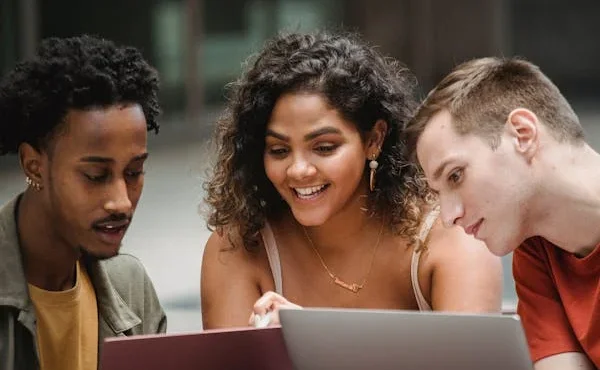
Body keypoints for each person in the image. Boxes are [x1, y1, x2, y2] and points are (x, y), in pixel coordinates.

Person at [201, 31, 502, 330]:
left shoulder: (449, 237)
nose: (298, 170)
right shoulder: (238, 248)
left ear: (374, 139)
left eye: (324, 148)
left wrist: (315, 339)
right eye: (279, 151)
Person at [405, 56, 600, 369]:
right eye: (438, 193)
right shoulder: (536, 252)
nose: (447, 217)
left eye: (456, 175)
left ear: (522, 135)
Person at [0, 35, 166, 370]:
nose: (121, 202)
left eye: (134, 172)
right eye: (95, 175)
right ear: (34, 165)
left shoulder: (130, 285)